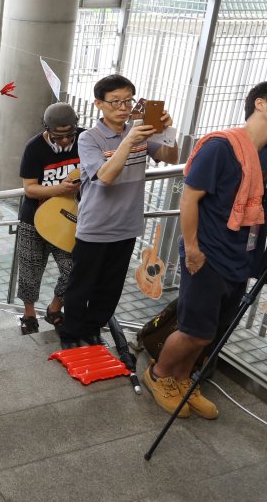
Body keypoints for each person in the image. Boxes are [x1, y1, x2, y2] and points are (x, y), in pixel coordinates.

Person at [145, 80, 267, 420]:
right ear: (261, 104)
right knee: (195, 332)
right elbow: (189, 200)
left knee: (213, 330)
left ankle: (182, 380)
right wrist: (192, 250)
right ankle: (159, 375)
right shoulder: (220, 147)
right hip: (207, 254)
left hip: (243, 255)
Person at [59, 74, 179, 349]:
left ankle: (92, 330)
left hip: (128, 225)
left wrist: (168, 131)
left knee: (110, 287)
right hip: (95, 226)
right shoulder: (89, 138)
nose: (123, 107)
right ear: (99, 104)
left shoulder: (140, 132)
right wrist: (129, 141)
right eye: (115, 101)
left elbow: (171, 157)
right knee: (81, 285)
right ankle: (70, 334)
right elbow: (105, 177)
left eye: (128, 101)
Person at [15, 103, 84, 334]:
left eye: (69, 135)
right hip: (33, 218)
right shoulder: (34, 147)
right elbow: (29, 188)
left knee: (73, 269)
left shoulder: (85, 140)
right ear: (47, 129)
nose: (64, 141)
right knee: (30, 269)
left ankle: (55, 308)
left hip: (68, 218)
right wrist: (59, 189)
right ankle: (29, 314)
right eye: (58, 136)